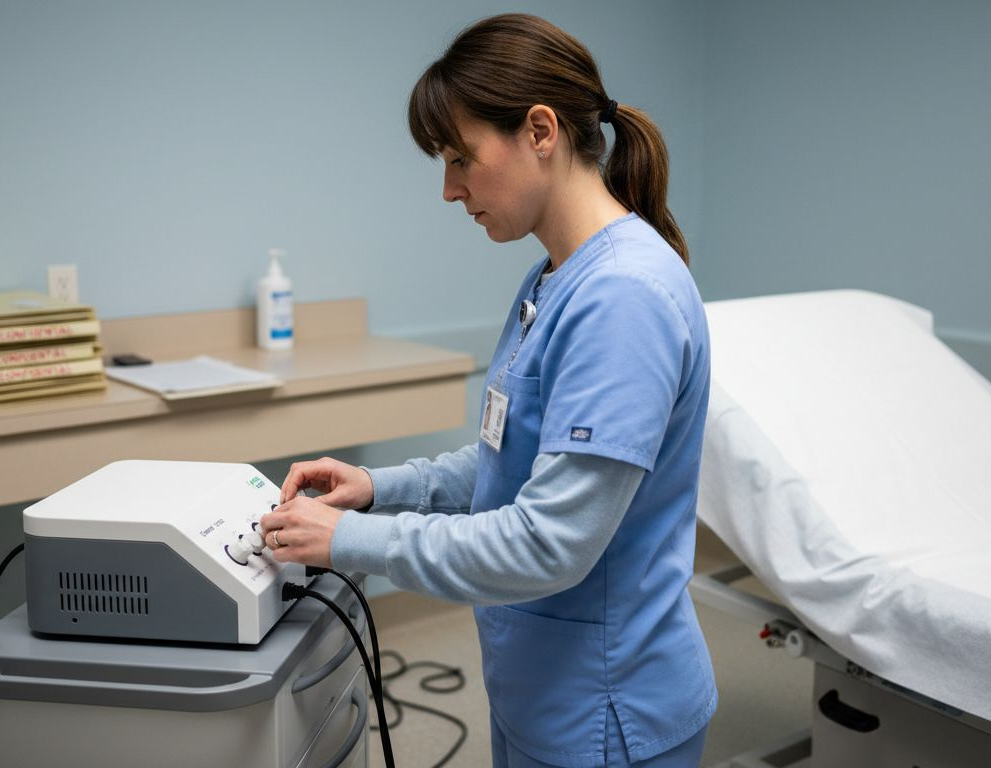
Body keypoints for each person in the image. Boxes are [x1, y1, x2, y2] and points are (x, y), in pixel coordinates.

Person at [261, 13, 715, 767]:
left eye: (460, 158)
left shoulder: (623, 298)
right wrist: (378, 488)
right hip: (545, 691)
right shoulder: (557, 280)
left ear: (540, 131)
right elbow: (513, 461)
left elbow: (548, 541)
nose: (448, 189)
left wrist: (350, 541)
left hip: (607, 710)